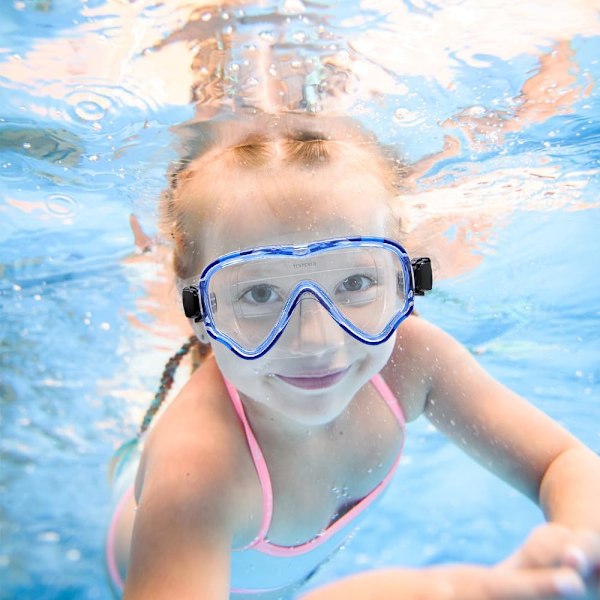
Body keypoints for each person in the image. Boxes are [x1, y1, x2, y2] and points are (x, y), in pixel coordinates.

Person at [105, 111, 600, 600]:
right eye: (258, 294)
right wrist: (443, 590)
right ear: (195, 310)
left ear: (403, 281)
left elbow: (563, 460)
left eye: (355, 283)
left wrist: (580, 545)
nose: (317, 340)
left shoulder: (412, 358)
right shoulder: (195, 476)